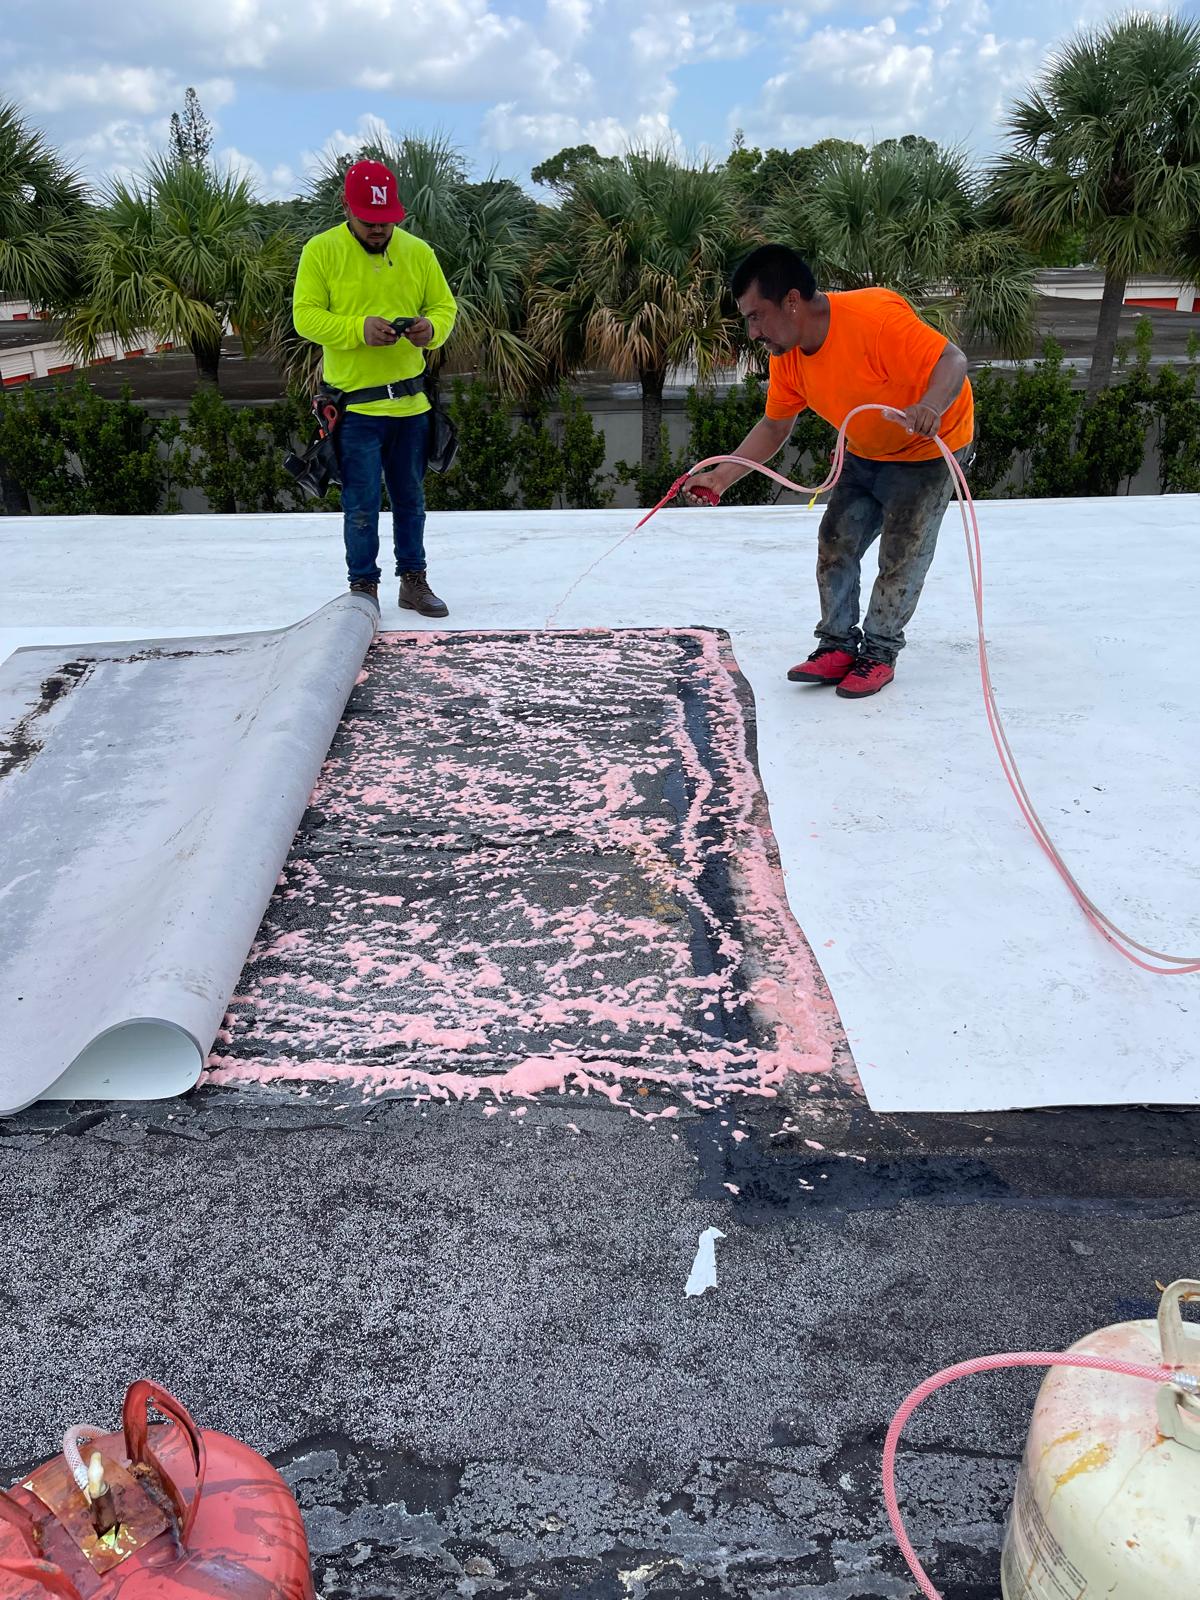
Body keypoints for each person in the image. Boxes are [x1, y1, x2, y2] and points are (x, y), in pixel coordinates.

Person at [684, 244, 973, 698]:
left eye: (757, 316)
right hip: (866, 449)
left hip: (928, 453)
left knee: (902, 555)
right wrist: (721, 476)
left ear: (793, 301)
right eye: (748, 319)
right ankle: (837, 645)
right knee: (836, 541)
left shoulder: (875, 319)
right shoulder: (788, 357)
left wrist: (930, 407)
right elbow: (775, 425)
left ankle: (878, 653)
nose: (753, 331)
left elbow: (952, 360)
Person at [293, 158, 457, 615]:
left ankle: (414, 581)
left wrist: (432, 329)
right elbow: (304, 317)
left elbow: (444, 307)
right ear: (347, 209)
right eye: (370, 222)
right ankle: (363, 591)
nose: (379, 230)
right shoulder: (320, 251)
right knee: (360, 505)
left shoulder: (418, 252)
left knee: (412, 501)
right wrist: (357, 329)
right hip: (356, 410)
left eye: (387, 222)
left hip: (411, 405)